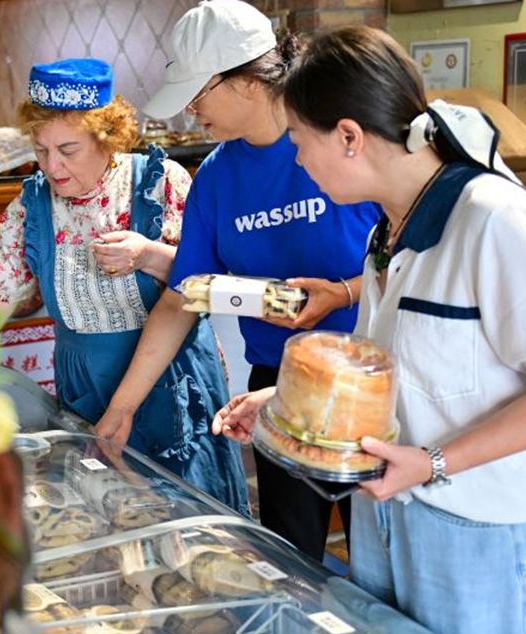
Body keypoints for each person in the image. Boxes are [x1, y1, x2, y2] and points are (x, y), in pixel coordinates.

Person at [218, 25, 526, 634]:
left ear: (348, 136)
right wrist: (287, 402)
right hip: (394, 516)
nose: (296, 159)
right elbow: (401, 368)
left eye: (299, 140)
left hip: (493, 536)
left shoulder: (498, 221)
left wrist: (435, 463)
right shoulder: (389, 229)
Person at [94, 0, 380, 561]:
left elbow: (413, 263)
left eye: (199, 94)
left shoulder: (343, 143)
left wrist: (342, 293)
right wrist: (122, 408)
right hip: (279, 380)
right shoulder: (218, 176)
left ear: (248, 80)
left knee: (381, 560)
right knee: (292, 560)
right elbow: (182, 299)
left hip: (371, 374)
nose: (191, 112)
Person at [0, 57, 248, 513]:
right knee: (109, 516)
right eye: (41, 150)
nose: (52, 167)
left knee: (191, 521)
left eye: (68, 150)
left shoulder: (160, 184)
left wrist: (148, 255)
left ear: (106, 137)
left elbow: (210, 283)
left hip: (170, 382)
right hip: (87, 387)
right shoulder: (30, 206)